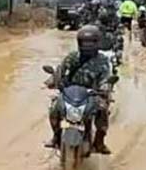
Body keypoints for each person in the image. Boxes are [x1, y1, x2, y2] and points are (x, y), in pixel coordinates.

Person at [45, 25, 112, 154]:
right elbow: (60, 71)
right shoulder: (72, 57)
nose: (87, 45)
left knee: (103, 110)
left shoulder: (102, 61)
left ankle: (99, 142)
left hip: (92, 94)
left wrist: (104, 87)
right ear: (79, 42)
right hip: (70, 93)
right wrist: (53, 80)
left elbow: (106, 77)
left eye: (90, 42)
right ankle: (56, 136)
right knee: (54, 109)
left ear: (97, 42)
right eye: (84, 42)